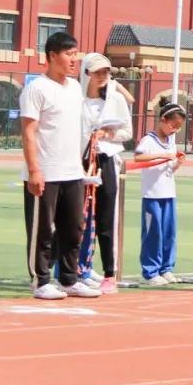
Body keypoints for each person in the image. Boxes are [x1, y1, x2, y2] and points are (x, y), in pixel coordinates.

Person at [20, 32, 99, 300]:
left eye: (75, 54)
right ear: (52, 56)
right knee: (42, 229)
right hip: (45, 171)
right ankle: (41, 280)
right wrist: (34, 170)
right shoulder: (36, 89)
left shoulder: (75, 88)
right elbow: (29, 132)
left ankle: (69, 279)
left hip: (72, 171)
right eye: (68, 54)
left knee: (73, 228)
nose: (73, 60)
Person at [77, 53, 132, 294]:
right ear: (86, 73)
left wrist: (108, 134)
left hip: (106, 159)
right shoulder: (75, 99)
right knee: (76, 216)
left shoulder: (116, 99)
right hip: (78, 160)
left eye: (106, 72)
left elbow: (127, 132)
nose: (103, 76)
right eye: (98, 72)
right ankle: (76, 268)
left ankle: (110, 272)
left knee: (106, 215)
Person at [135, 102, 187, 286]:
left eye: (178, 128)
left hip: (168, 193)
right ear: (163, 120)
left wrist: (177, 162)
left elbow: (169, 168)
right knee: (153, 233)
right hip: (152, 194)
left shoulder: (170, 142)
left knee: (168, 233)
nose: (174, 130)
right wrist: (163, 157)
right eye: (173, 125)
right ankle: (150, 272)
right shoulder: (148, 140)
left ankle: (166, 268)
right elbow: (138, 157)